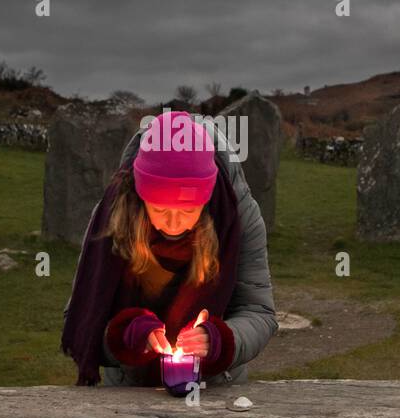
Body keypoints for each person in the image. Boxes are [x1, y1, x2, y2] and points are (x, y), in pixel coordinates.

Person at [61, 109, 277, 387]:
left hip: (215, 390)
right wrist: (125, 335)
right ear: (140, 196)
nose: (173, 224)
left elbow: (258, 311)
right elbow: (80, 321)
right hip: (128, 393)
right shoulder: (112, 217)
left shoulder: (237, 215)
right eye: (160, 209)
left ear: (208, 199)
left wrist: (221, 340)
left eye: (188, 210)